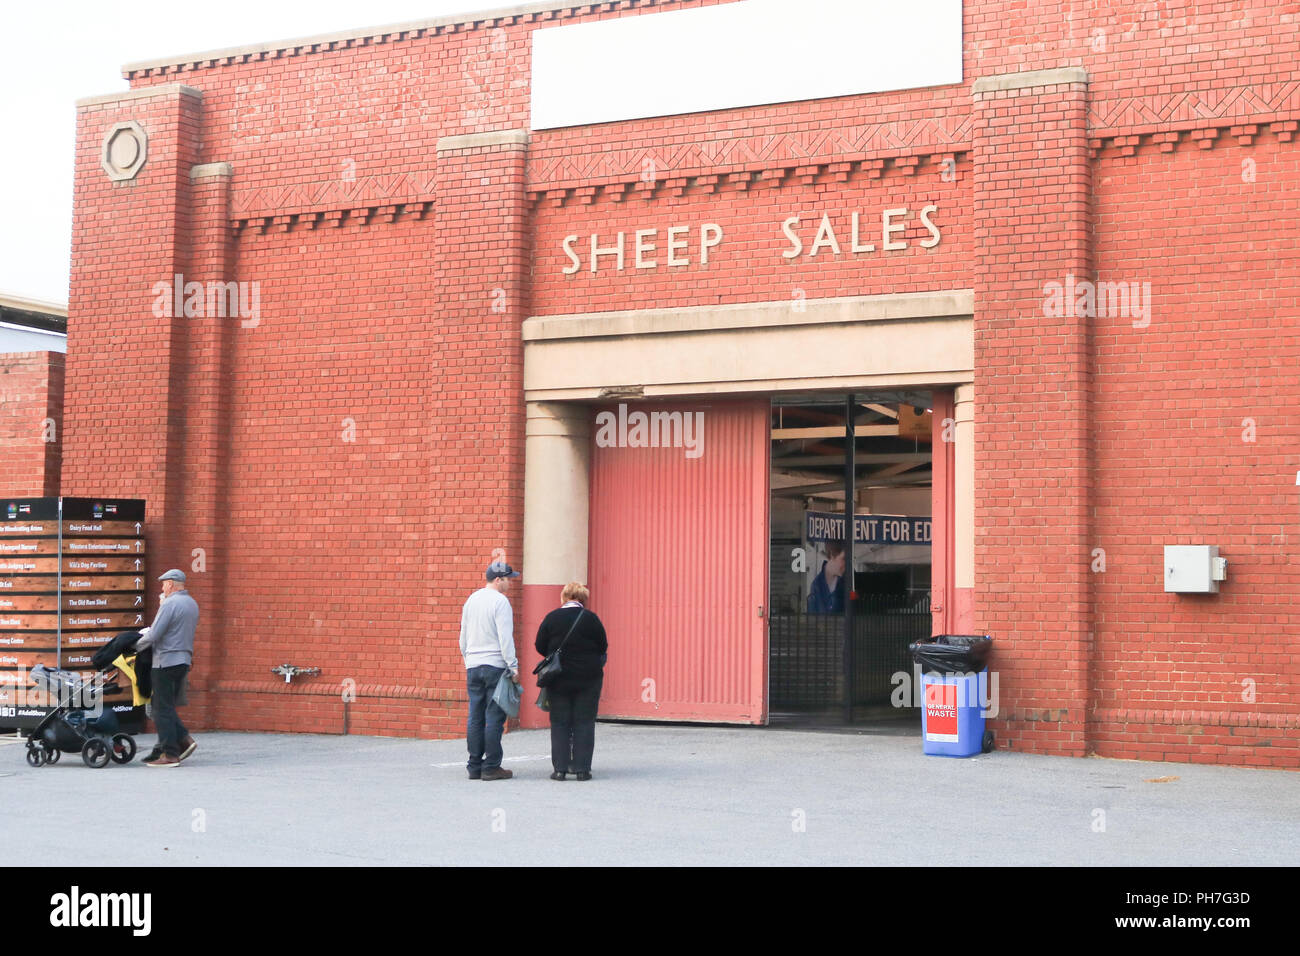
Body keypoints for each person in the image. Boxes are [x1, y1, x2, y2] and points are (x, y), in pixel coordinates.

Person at [534, 582, 607, 781]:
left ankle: (560, 769)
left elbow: (539, 645)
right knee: (584, 722)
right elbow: (603, 646)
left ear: (564, 597)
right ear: (583, 599)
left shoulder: (552, 617)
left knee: (560, 722)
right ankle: (582, 770)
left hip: (558, 678)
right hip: (588, 679)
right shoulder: (591, 619)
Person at [459, 561, 521, 781]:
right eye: (508, 579)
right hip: (495, 665)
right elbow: (505, 638)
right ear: (498, 580)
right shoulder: (500, 602)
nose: (510, 583)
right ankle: (492, 765)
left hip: (474, 665)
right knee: (494, 716)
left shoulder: (471, 600)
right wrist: (512, 665)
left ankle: (474, 765)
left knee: (475, 716)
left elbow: (463, 637)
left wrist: (469, 660)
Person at [135, 569, 199, 768]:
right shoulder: (191, 603)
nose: (162, 587)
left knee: (161, 708)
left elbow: (155, 634)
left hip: (165, 660)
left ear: (171, 584)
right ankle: (184, 739)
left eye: (164, 584)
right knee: (163, 705)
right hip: (183, 660)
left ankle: (171, 753)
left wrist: (135, 644)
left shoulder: (170, 603)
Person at [807, 540, 847, 613]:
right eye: (843, 559)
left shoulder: (847, 581)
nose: (846, 563)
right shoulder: (816, 586)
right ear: (832, 555)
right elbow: (812, 620)